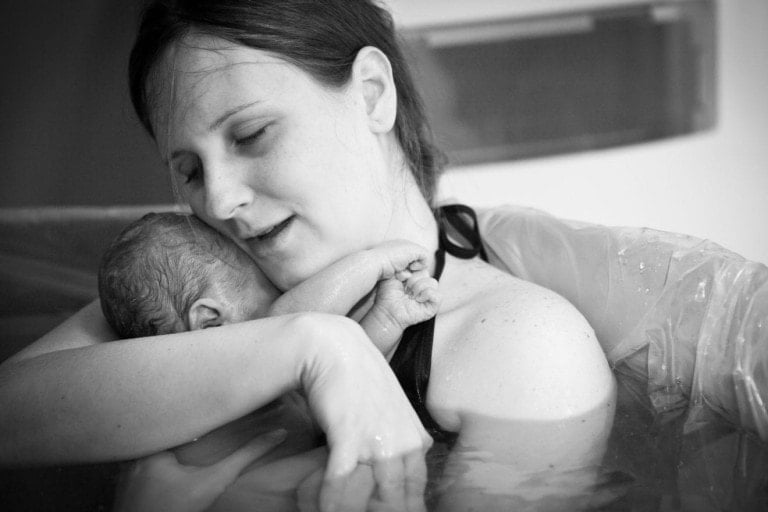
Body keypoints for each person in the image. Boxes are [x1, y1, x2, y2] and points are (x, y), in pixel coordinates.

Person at [0, 1, 617, 510]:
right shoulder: (197, 285)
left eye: (251, 135)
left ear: (373, 95)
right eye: (187, 171)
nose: (218, 200)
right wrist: (313, 346)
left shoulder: (522, 346)